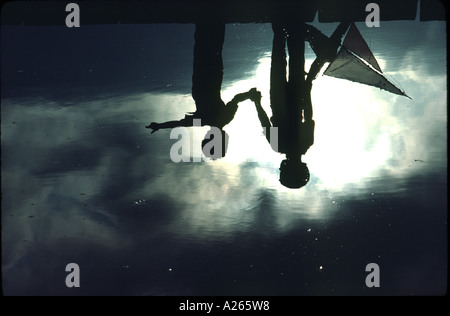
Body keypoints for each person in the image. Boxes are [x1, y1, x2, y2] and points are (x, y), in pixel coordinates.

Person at [251, 21, 350, 188]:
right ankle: (282, 25)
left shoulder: (306, 143)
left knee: (296, 59)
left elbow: (309, 115)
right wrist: (256, 102)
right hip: (278, 99)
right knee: (278, 58)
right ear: (286, 168)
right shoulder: (279, 146)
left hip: (298, 99)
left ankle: (293, 26)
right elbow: (264, 122)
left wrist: (307, 90)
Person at [146, 22, 261, 159]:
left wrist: (249, 94)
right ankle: (209, 22)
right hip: (203, 78)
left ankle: (213, 22)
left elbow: (179, 124)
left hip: (210, 76)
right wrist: (160, 126)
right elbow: (179, 124)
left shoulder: (219, 119)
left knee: (213, 48)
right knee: (205, 48)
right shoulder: (205, 120)